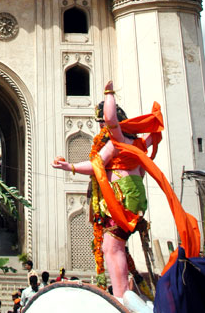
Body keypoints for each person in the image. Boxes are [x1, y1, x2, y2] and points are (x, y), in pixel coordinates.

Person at [52, 79, 200, 312]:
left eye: (101, 122)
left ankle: (120, 297)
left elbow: (96, 163)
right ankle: (122, 292)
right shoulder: (137, 143)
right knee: (113, 247)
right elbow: (152, 134)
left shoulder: (118, 140)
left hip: (121, 199)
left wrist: (109, 94)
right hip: (134, 199)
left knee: (112, 248)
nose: (102, 126)